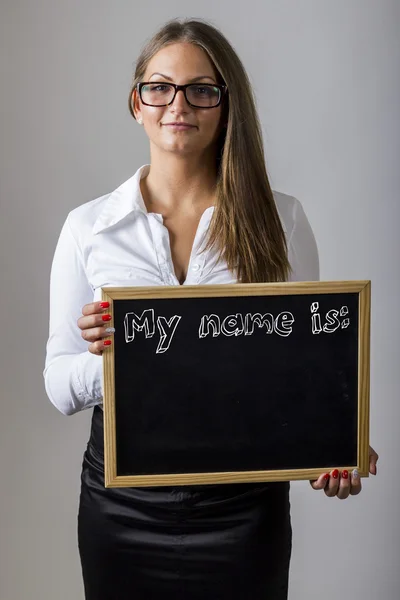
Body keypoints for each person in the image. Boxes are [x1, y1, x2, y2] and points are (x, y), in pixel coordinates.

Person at [43, 18, 378, 600]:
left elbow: (306, 369)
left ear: (226, 106)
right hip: (120, 506)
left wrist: (335, 442)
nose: (179, 104)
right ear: (136, 104)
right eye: (160, 87)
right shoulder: (88, 227)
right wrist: (115, 360)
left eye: (202, 89)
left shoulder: (282, 219)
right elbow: (56, 382)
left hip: (243, 509)